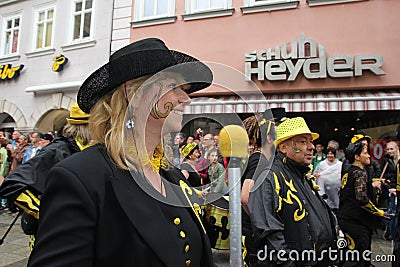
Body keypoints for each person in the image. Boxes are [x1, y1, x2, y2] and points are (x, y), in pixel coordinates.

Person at [27, 38, 214, 266]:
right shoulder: (81, 177)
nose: (185, 98)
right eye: (173, 86)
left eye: (183, 89)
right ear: (134, 94)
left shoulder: (171, 176)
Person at [0, 102, 91, 250]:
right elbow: (12, 185)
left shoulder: (87, 150)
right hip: (50, 239)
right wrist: (49, 214)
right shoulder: (58, 150)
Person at [248, 117, 337, 266]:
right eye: (303, 142)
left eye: (311, 141)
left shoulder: (303, 176)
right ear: (283, 147)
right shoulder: (269, 177)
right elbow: (269, 233)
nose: (311, 147)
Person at [337, 142, 390, 267]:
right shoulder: (359, 172)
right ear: (357, 157)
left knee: (351, 254)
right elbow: (361, 198)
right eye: (365, 153)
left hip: (346, 219)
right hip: (356, 222)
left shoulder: (350, 170)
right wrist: (379, 212)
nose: (369, 156)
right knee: (358, 257)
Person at [241, 108, 279, 267]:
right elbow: (245, 197)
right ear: (269, 138)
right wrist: (262, 223)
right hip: (255, 235)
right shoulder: (258, 160)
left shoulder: (262, 159)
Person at [313, 147, 342, 212]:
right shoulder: (321, 164)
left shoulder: (340, 164)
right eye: (328, 154)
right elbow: (315, 174)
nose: (330, 155)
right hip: (325, 189)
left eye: (331, 154)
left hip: (337, 188)